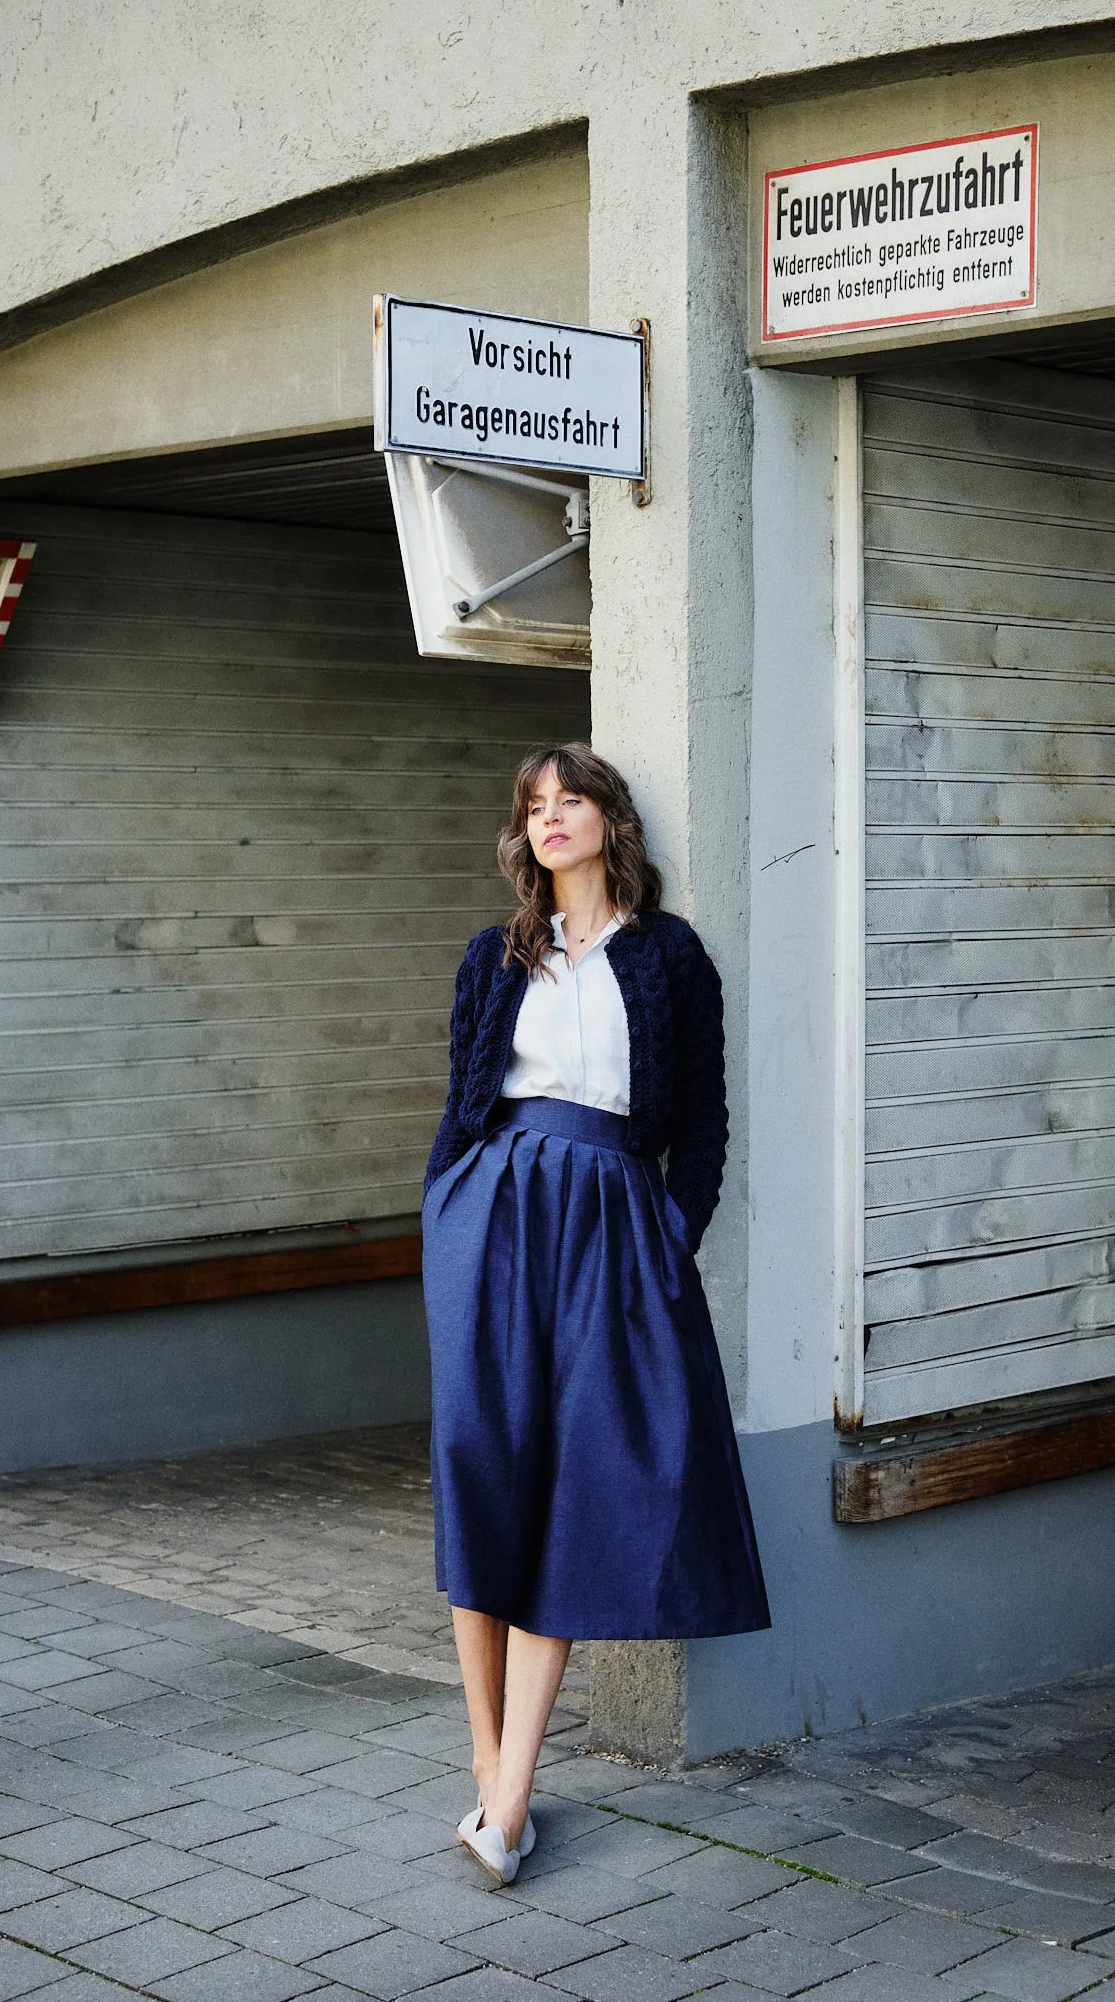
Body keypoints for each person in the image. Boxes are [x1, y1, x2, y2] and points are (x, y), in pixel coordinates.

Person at [421, 740, 770, 1886]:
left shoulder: (671, 956)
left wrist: (671, 1236)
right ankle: (493, 1773)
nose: (552, 817)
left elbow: (703, 1122)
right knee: (482, 1470)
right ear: (523, 834)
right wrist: (442, 1221)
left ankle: (512, 1793)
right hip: (492, 1221)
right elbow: (462, 1110)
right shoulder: (495, 957)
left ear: (608, 820)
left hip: (614, 1225)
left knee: (573, 1487)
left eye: (570, 799)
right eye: (535, 806)